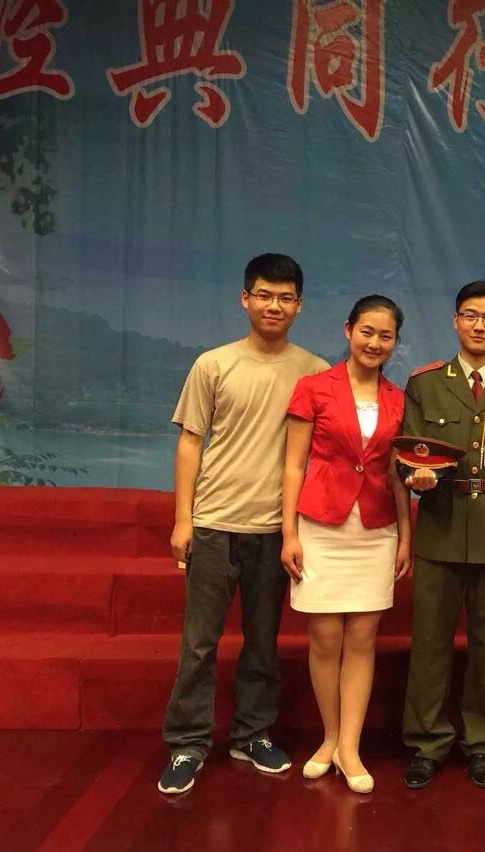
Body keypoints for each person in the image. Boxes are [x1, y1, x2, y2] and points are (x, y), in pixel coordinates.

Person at [158, 254, 328, 795]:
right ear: (245, 299)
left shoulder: (316, 372)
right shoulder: (213, 365)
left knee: (262, 641)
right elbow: (191, 442)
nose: (274, 306)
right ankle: (188, 741)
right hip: (213, 522)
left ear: (299, 306)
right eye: (264, 295)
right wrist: (183, 519)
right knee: (200, 642)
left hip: (275, 528)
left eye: (285, 298)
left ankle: (252, 734)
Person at [400, 280, 485, 790]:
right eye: (471, 315)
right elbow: (408, 452)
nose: (480, 325)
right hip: (439, 522)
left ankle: (482, 742)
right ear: (456, 321)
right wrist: (415, 474)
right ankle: (426, 742)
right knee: (429, 643)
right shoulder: (426, 383)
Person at [280, 295, 411, 794]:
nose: (375, 343)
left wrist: (405, 535)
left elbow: (398, 475)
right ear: (348, 330)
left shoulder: (399, 400)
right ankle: (329, 738)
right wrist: (289, 532)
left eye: (385, 336)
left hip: (376, 530)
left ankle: (350, 747)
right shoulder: (314, 388)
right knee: (325, 639)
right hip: (320, 525)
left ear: (395, 342)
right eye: (366, 332)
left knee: (361, 640)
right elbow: (294, 464)